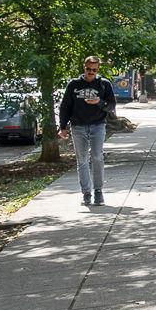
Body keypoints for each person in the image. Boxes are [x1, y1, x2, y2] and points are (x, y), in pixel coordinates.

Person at [58, 55, 118, 206]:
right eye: (88, 69)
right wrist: (63, 127)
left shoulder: (104, 84)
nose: (91, 72)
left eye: (94, 70)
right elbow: (65, 107)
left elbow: (111, 106)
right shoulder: (74, 84)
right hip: (78, 126)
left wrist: (99, 102)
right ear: (84, 68)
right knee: (82, 160)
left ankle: (98, 191)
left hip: (98, 125)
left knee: (97, 156)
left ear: (98, 69)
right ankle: (86, 193)